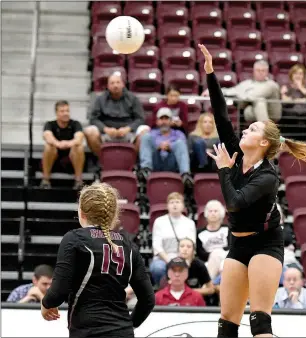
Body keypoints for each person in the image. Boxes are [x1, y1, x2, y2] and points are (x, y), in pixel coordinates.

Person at [198, 44, 306, 338]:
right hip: (238, 242)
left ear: (264, 143)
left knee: (259, 323)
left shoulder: (268, 177)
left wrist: (222, 169)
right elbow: (220, 115)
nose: (245, 130)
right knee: (226, 323)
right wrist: (210, 73)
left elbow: (233, 203)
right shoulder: (238, 155)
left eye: (253, 129)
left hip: (266, 244)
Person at [40, 182, 155, 338]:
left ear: (81, 212)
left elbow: (58, 292)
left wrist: (46, 304)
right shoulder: (128, 245)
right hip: (122, 331)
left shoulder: (74, 239)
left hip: (87, 330)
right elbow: (148, 299)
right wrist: (129, 324)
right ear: (114, 214)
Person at [84, 73, 145, 156]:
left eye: (118, 82)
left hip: (129, 133)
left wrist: (128, 128)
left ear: (123, 84)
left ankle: (132, 162)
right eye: (112, 83)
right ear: (108, 86)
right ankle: (103, 161)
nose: (115, 85)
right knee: (89, 131)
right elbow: (93, 119)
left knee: (145, 132)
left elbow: (140, 119)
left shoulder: (133, 98)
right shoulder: (100, 99)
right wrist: (105, 129)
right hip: (106, 133)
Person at [202, 61, 281, 122]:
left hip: (272, 114)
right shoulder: (247, 83)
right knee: (248, 109)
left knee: (260, 101)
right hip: (252, 113)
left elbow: (252, 96)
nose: (260, 72)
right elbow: (232, 90)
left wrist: (240, 94)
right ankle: (263, 131)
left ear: (267, 72)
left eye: (263, 70)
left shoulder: (272, 85)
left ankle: (266, 131)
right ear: (253, 71)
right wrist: (213, 91)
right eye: (258, 70)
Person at [150, 192, 196, 285]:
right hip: (163, 258)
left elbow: (192, 246)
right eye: (172, 202)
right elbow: (157, 246)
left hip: (184, 258)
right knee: (157, 268)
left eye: (178, 202)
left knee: (194, 267)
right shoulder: (159, 222)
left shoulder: (189, 223)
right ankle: (164, 290)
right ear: (167, 206)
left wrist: (185, 262)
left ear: (183, 206)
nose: (175, 204)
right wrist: (170, 262)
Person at [139, 108, 193, 187]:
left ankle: (185, 174)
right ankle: (146, 170)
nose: (164, 121)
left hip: (172, 161)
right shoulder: (151, 133)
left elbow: (183, 151)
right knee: (145, 137)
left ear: (171, 121)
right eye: (161, 119)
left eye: (166, 119)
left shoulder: (179, 134)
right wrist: (158, 147)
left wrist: (170, 147)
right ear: (157, 121)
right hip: (155, 161)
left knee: (180, 143)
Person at [41, 100, 85, 189]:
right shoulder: (50, 124)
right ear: (56, 113)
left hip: (72, 157)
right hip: (54, 156)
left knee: (79, 147)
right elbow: (47, 136)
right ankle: (45, 180)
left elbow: (79, 138)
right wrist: (58, 144)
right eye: (62, 111)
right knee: (48, 146)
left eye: (67, 111)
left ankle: (78, 181)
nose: (66, 113)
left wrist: (67, 143)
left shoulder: (75, 124)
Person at [197, 200, 231, 279]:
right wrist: (213, 255)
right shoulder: (200, 233)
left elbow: (231, 246)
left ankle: (210, 285)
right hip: (208, 260)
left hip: (225, 256)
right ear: (206, 214)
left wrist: (217, 252)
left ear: (221, 214)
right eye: (210, 211)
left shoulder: (228, 229)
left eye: (216, 211)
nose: (213, 213)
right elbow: (200, 252)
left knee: (222, 262)